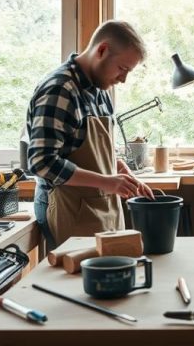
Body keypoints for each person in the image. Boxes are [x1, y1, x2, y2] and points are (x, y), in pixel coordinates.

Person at [25, 20, 154, 248]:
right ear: (102, 50)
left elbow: (92, 152)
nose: (123, 80)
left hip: (101, 207)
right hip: (67, 207)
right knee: (75, 280)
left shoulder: (100, 90)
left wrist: (120, 171)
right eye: (122, 69)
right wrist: (106, 182)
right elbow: (41, 162)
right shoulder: (60, 90)